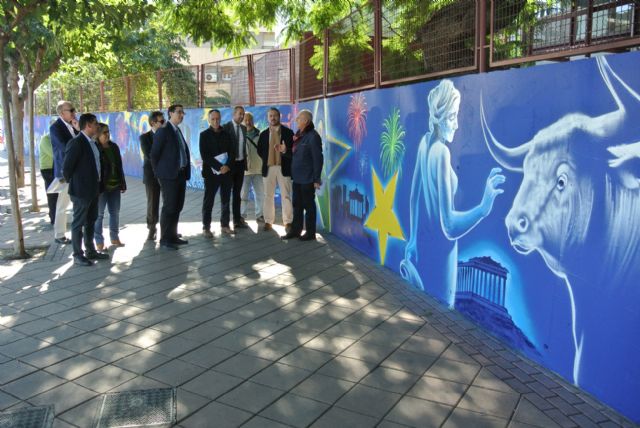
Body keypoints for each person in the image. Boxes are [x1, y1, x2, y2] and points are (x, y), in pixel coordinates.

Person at [400, 79, 505, 305]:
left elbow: (413, 196)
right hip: (442, 257)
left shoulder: (424, 142)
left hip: (425, 249)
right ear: (439, 118)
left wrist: (413, 240)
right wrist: (483, 208)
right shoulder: (442, 153)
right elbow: (448, 226)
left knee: (426, 306)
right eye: (452, 117)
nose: (456, 124)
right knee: (440, 311)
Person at [62, 113, 109, 266]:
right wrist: (78, 183)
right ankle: (77, 254)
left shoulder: (93, 142)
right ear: (88, 125)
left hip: (94, 189)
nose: (98, 126)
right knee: (79, 223)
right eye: (95, 124)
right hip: (81, 192)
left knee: (91, 221)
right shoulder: (76, 143)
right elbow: (67, 169)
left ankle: (90, 251)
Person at [150, 104, 190, 250]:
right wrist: (159, 173)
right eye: (179, 112)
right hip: (168, 176)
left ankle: (173, 236)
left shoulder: (177, 130)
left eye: (183, 112)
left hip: (180, 174)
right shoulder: (163, 131)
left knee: (177, 206)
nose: (182, 115)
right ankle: (165, 239)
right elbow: (154, 155)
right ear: (171, 113)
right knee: (169, 207)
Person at [282, 110, 323, 241]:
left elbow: (318, 159)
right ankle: (296, 230)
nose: (296, 120)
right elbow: (296, 155)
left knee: (308, 206)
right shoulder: (299, 135)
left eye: (299, 118)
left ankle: (310, 233)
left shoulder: (313, 136)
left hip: (308, 178)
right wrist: (285, 150)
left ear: (306, 121)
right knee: (297, 205)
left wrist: (316, 179)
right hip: (297, 178)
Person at [257, 107, 294, 232]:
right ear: (268, 118)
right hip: (268, 168)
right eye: (270, 116)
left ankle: (288, 222)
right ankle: (268, 221)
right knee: (268, 195)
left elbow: (293, 151)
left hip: (284, 168)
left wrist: (285, 150)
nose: (273, 118)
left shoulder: (288, 132)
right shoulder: (263, 134)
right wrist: (268, 159)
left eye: (275, 115)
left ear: (279, 116)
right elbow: (259, 151)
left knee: (286, 196)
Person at [200, 109, 234, 236]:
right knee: (208, 201)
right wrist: (219, 167)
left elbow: (232, 152)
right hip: (211, 174)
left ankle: (225, 225)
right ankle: (206, 227)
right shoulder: (204, 135)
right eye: (213, 119)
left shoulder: (227, 134)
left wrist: (227, 166)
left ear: (220, 119)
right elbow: (205, 155)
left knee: (226, 200)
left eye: (217, 119)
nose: (215, 121)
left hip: (226, 173)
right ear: (209, 120)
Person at [94, 123, 127, 251]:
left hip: (115, 186)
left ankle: (114, 237)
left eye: (108, 131)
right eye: (104, 132)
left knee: (115, 212)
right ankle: (99, 241)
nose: (107, 134)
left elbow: (119, 166)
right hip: (102, 187)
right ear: (98, 134)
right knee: (99, 215)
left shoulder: (114, 146)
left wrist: (122, 183)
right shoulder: (95, 148)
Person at [51, 101, 78, 244]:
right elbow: (65, 146)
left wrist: (78, 130)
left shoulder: (74, 125)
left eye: (74, 109)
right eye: (71, 110)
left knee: (79, 203)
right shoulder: (56, 128)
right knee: (63, 205)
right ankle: (59, 234)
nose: (74, 113)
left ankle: (79, 231)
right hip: (65, 172)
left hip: (78, 171)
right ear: (62, 113)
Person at [140, 111, 165, 241]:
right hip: (151, 175)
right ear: (153, 123)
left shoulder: (167, 136)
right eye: (161, 121)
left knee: (169, 202)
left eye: (164, 121)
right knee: (153, 203)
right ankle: (152, 228)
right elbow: (150, 155)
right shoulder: (144, 137)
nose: (164, 124)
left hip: (166, 174)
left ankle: (169, 230)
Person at [223, 106, 249, 229]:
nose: (242, 116)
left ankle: (237, 220)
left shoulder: (243, 128)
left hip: (240, 165)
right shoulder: (225, 127)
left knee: (237, 193)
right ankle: (225, 223)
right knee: (226, 194)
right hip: (229, 165)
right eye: (240, 114)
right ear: (234, 114)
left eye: (243, 114)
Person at [240, 111, 264, 223]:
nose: (248, 122)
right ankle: (241, 215)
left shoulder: (260, 135)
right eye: (245, 120)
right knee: (243, 195)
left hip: (258, 170)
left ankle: (260, 215)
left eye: (250, 120)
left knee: (260, 194)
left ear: (253, 121)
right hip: (244, 171)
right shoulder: (239, 136)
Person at [39, 123, 57, 225]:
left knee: (58, 195)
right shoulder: (45, 139)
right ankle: (53, 218)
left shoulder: (56, 139)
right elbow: (54, 153)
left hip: (56, 168)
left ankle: (56, 216)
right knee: (52, 194)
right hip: (48, 169)